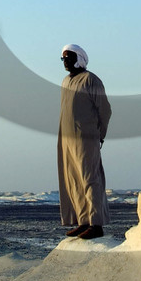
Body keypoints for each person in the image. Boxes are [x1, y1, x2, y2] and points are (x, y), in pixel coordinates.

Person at [57, 43, 112, 239]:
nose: (65, 61)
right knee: (73, 180)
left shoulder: (90, 80)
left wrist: (100, 134)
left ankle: (96, 224)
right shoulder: (65, 81)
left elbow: (104, 110)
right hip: (66, 139)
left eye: (69, 57)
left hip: (86, 138)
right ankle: (83, 221)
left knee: (90, 179)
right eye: (63, 58)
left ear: (79, 58)